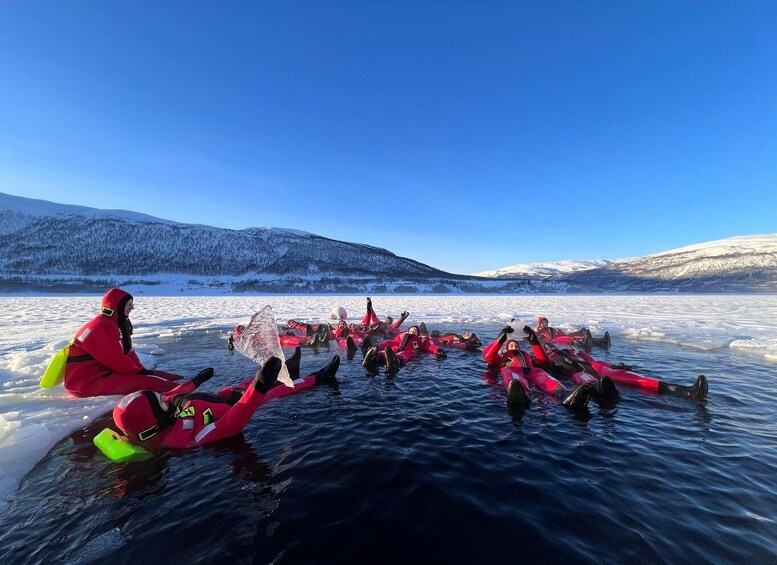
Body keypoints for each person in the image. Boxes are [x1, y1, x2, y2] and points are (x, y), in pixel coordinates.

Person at [112, 352, 340, 449]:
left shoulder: (164, 411)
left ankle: (288, 370)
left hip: (221, 396)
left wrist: (197, 380)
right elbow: (230, 424)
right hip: (237, 407)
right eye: (159, 402)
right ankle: (318, 377)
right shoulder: (181, 439)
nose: (165, 399)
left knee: (242, 384)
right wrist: (257, 390)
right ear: (153, 424)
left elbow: (177, 393)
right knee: (274, 392)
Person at [64, 288, 208, 398]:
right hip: (86, 383)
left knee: (160, 376)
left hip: (100, 373)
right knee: (149, 383)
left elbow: (128, 352)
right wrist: (141, 374)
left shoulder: (114, 323)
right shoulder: (101, 326)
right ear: (117, 305)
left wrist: (145, 371)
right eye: (129, 304)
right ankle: (185, 394)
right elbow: (116, 360)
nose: (132, 308)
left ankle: (182, 385)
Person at [482, 324, 593, 408]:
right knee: (512, 376)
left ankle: (564, 395)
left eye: (516, 345)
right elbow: (489, 358)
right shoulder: (502, 357)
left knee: (545, 377)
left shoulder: (528, 355)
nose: (515, 347)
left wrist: (534, 342)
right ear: (506, 348)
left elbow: (543, 361)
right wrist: (499, 341)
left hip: (532, 371)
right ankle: (521, 393)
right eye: (511, 345)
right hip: (513, 371)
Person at [363, 325, 446, 375]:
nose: (413, 331)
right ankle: (376, 356)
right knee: (390, 350)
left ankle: (395, 361)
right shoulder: (401, 336)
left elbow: (429, 347)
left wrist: (437, 350)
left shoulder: (420, 340)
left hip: (410, 350)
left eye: (415, 331)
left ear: (417, 333)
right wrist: (378, 346)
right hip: (397, 348)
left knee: (405, 353)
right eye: (411, 330)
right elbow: (391, 342)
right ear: (408, 331)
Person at [535, 317, 611, 349]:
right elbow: (534, 337)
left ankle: (602, 340)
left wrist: (558, 330)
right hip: (555, 340)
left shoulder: (550, 328)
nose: (544, 324)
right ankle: (584, 341)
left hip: (561, 336)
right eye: (543, 323)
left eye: (546, 322)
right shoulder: (540, 331)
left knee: (573, 336)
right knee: (570, 339)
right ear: (540, 324)